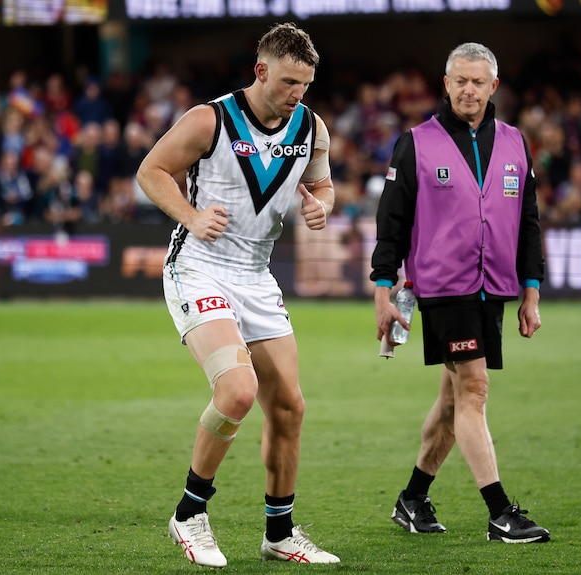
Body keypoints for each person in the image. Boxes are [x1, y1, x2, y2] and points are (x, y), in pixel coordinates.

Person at [136, 22, 340, 568]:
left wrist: (323, 203)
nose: (298, 93)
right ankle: (188, 513)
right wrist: (191, 215)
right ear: (261, 70)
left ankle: (280, 532)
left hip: (256, 274)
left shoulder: (311, 127)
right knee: (237, 391)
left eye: (306, 83)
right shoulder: (211, 119)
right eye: (290, 81)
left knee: (290, 407)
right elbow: (151, 170)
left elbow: (321, 182)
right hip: (199, 267)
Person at [370, 42, 550, 543]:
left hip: (494, 287)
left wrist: (530, 291)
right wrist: (383, 289)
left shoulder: (516, 142)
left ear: (493, 87)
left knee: (453, 399)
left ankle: (412, 498)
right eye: (460, 81)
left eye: (479, 82)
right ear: (445, 84)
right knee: (473, 387)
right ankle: (500, 512)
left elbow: (528, 222)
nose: (469, 89)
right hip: (443, 288)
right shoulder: (416, 143)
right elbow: (392, 223)